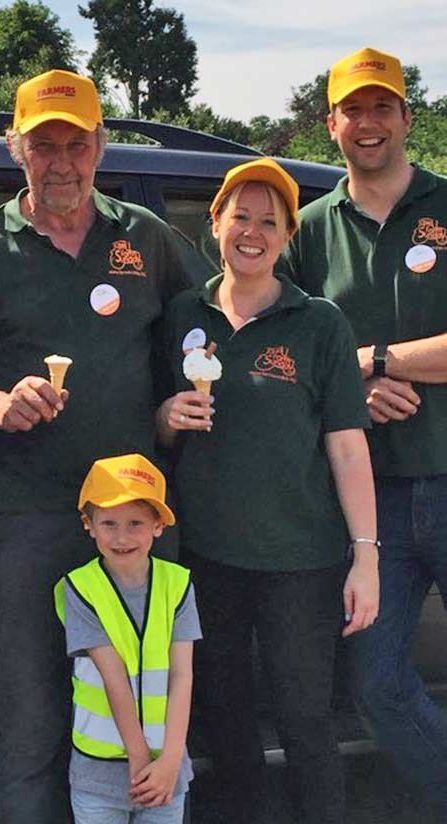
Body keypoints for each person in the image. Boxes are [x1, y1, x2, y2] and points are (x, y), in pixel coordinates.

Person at [0, 68, 192, 823]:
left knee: (145, 714)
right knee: (34, 721)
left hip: (138, 518)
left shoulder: (146, 237)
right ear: (16, 149)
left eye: (76, 144)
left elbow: (212, 326)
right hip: (30, 518)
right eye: (44, 145)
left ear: (100, 146)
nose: (62, 163)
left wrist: (182, 401)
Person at [156, 158, 379, 823]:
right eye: (240, 217)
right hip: (206, 557)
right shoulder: (181, 316)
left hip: (300, 561)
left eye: (269, 222)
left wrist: (365, 553)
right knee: (224, 719)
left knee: (306, 718)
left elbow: (346, 444)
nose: (251, 233)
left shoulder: (318, 325)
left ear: (285, 236)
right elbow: (155, 430)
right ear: (214, 224)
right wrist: (165, 418)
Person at [280, 46, 447, 816]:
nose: (368, 123)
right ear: (331, 124)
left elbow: (337, 355)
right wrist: (355, 386)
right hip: (369, 504)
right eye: (354, 109)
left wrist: (378, 360)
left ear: (407, 118)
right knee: (377, 686)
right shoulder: (309, 230)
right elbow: (287, 357)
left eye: (383, 107)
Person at [54, 453, 200, 824]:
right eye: (109, 523)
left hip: (165, 771)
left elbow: (182, 676)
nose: (122, 536)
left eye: (136, 522)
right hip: (98, 776)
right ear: (89, 525)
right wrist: (139, 759)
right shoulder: (79, 588)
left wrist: (169, 761)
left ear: (158, 525)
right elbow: (112, 675)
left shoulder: (178, 584)